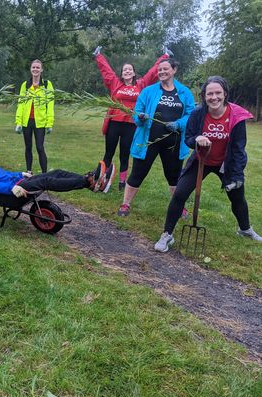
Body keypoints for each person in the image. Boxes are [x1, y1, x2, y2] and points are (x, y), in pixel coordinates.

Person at [155, 76, 262, 251]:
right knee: (180, 193)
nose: (214, 97)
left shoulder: (236, 116)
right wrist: (197, 138)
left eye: (218, 93)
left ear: (225, 94)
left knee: (237, 197)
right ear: (204, 96)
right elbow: (188, 138)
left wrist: (236, 174)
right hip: (201, 160)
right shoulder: (198, 114)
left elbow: (238, 148)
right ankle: (167, 234)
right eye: (209, 93)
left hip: (226, 163)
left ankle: (245, 229)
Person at [118, 58, 195, 217]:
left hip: (172, 142)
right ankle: (125, 204)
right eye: (159, 70)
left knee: (174, 176)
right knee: (138, 173)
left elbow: (191, 115)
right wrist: (141, 117)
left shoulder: (184, 92)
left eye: (165, 69)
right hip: (148, 141)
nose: (162, 72)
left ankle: (179, 206)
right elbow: (136, 114)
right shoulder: (148, 91)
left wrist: (179, 124)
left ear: (174, 70)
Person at [93, 46, 171, 190]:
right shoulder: (116, 84)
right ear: (122, 74)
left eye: (130, 69)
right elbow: (106, 71)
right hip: (114, 124)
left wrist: (164, 57)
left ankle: (122, 183)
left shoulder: (141, 84)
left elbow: (153, 72)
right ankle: (101, 180)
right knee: (108, 153)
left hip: (130, 125)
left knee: (125, 154)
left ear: (134, 72)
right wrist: (98, 57)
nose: (127, 71)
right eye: (125, 70)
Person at [0, 142, 116, 197]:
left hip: (19, 182)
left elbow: (5, 175)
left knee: (57, 172)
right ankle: (89, 181)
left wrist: (20, 174)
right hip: (15, 189)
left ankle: (91, 180)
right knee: (46, 180)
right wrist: (12, 187)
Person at [15, 59, 54, 173]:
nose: (35, 69)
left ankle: (44, 173)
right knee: (28, 147)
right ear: (30, 69)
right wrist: (18, 122)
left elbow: (50, 104)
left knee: (40, 147)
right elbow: (20, 104)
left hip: (40, 122)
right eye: (33, 67)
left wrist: (49, 123)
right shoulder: (25, 85)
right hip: (27, 121)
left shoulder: (47, 85)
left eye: (38, 67)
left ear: (41, 70)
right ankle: (28, 171)